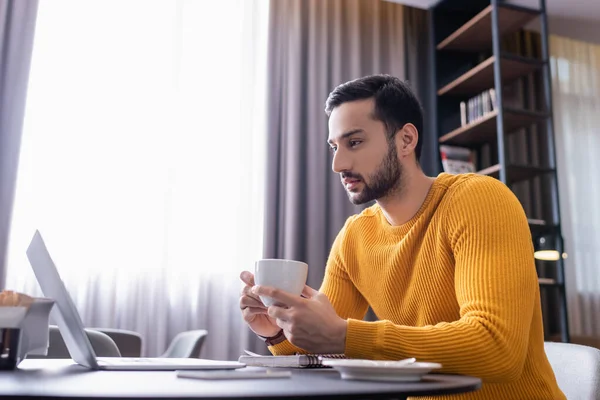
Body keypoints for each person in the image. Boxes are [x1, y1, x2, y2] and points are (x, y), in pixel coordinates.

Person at [239, 75, 565, 399]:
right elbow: (324, 346)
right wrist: (277, 330)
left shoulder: (478, 200)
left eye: (354, 143)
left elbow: (497, 349)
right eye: (334, 147)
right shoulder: (355, 236)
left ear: (406, 140)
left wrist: (346, 335)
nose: (338, 164)